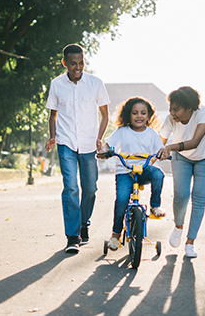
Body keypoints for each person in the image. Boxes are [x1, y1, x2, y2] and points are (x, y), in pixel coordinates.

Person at [45, 43, 110, 253]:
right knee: (71, 188)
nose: (78, 67)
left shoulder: (95, 83)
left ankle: (84, 224)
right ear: (65, 63)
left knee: (90, 189)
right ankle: (72, 237)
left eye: (81, 62)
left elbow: (105, 115)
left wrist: (99, 138)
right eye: (73, 64)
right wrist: (53, 136)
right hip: (65, 143)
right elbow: (53, 114)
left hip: (89, 144)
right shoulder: (56, 84)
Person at [99, 97, 166, 251]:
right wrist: (103, 151)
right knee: (122, 200)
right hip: (125, 172)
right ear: (128, 115)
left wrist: (164, 153)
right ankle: (115, 235)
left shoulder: (152, 134)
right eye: (135, 113)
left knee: (158, 175)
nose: (139, 116)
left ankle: (155, 206)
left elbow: (160, 150)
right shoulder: (122, 131)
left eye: (143, 113)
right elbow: (107, 146)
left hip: (143, 170)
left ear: (149, 116)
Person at [158, 86, 205, 258]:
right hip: (182, 158)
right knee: (181, 195)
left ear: (190, 107)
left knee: (198, 197)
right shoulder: (171, 119)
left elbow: (195, 142)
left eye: (176, 109)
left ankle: (190, 243)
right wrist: (151, 157)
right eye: (171, 108)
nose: (172, 112)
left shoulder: (203, 114)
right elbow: (158, 142)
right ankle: (178, 226)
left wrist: (170, 147)